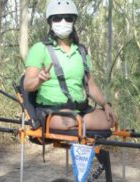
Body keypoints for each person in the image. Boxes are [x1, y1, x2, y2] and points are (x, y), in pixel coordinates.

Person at [24, 0, 117, 130]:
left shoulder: (81, 51)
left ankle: (82, 131)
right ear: (50, 22)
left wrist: (105, 104)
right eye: (57, 18)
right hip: (53, 111)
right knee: (70, 122)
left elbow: (91, 85)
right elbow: (28, 85)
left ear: (73, 22)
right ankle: (79, 128)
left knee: (110, 119)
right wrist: (39, 79)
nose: (63, 22)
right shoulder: (39, 49)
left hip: (80, 111)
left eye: (68, 18)